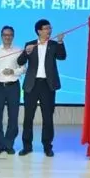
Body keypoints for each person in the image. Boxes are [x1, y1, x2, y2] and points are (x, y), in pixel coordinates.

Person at [17, 19, 66, 157]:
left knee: (48, 118)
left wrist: (61, 42)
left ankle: (47, 146)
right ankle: (27, 146)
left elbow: (62, 57)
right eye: (46, 28)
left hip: (47, 85)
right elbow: (20, 61)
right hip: (32, 85)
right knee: (28, 117)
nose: (49, 31)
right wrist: (26, 52)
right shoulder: (30, 44)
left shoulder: (54, 44)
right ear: (39, 31)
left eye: (50, 28)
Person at [0, 25, 26, 155]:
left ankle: (9, 144)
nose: (7, 37)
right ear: (1, 36)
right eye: (5, 35)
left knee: (13, 116)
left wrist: (13, 71)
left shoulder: (19, 50)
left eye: (10, 35)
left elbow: (23, 68)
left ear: (13, 36)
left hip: (13, 86)